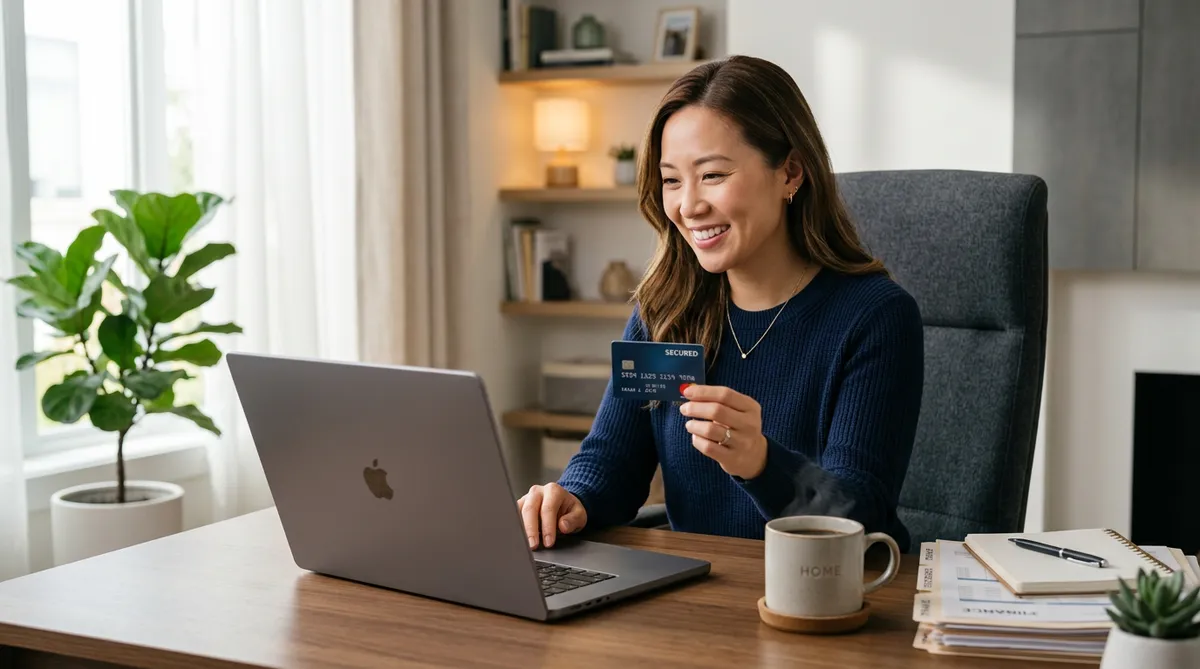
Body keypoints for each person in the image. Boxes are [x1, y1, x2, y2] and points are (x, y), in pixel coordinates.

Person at [517, 55, 924, 553]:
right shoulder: (666, 309)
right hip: (699, 597)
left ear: (791, 172)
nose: (688, 206)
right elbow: (612, 460)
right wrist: (573, 497)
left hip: (825, 599)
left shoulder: (874, 317)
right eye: (671, 180)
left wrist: (759, 461)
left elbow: (859, 518)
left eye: (712, 175)